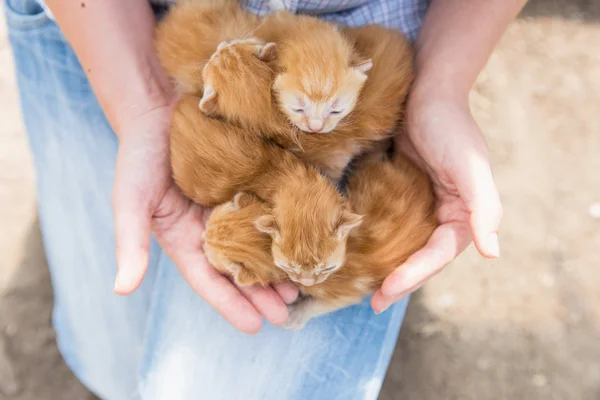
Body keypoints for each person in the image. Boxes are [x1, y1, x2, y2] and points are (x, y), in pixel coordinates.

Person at [4, 0, 524, 398]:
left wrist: (443, 86)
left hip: (364, 26)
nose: (315, 129)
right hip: (98, 19)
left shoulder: (322, 146)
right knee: (108, 333)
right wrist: (139, 103)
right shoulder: (292, 173)